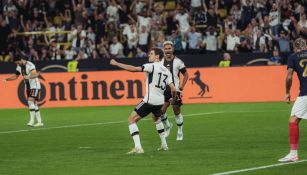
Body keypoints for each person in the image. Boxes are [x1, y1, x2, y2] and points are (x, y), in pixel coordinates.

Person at [110, 47, 176, 154]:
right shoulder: (167, 71)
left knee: (131, 120)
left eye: (151, 54)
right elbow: (173, 88)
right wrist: (173, 98)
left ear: (157, 57)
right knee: (156, 119)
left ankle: (138, 147)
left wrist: (117, 64)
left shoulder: (151, 66)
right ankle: (164, 145)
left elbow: (133, 69)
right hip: (160, 101)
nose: (149, 55)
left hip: (150, 100)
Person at [278, 38, 307, 162]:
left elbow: (289, 76)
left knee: (293, 120)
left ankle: (293, 154)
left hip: (306, 93)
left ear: (295, 48)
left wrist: (287, 92)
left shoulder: (293, 57)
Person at [3, 55, 43, 127]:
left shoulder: (30, 65)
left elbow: (35, 75)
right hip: (27, 86)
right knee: (34, 103)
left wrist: (28, 77)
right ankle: (40, 122)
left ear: (21, 60)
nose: (17, 64)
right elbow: (16, 76)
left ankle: (31, 121)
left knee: (30, 101)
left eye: (18, 62)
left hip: (35, 85)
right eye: (16, 63)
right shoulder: (19, 67)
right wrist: (7, 79)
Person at [160, 41, 189, 141]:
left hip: (176, 89)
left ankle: (180, 130)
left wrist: (182, 85)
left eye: (169, 48)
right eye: (166, 49)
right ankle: (168, 125)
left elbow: (186, 75)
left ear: (172, 49)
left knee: (176, 110)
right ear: (164, 50)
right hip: (164, 89)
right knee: (161, 111)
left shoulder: (178, 62)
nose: (168, 50)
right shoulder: (160, 61)